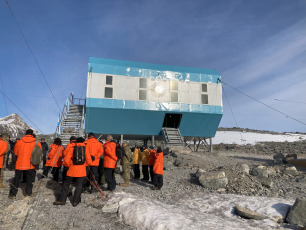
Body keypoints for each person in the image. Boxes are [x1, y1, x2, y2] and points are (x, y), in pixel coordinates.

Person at [53, 137, 92, 207]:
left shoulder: (72, 148)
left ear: (76, 142)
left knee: (66, 184)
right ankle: (75, 201)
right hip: (82, 171)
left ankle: (62, 200)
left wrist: (70, 166)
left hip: (71, 170)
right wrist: (83, 165)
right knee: (79, 185)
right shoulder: (85, 149)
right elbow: (89, 162)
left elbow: (66, 160)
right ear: (83, 142)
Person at [9, 129, 42, 198]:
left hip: (20, 163)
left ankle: (13, 194)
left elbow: (16, 153)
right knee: (29, 180)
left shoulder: (19, 142)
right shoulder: (37, 143)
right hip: (30, 164)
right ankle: (28, 193)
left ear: (25, 134)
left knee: (16, 179)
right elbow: (39, 153)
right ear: (32, 134)